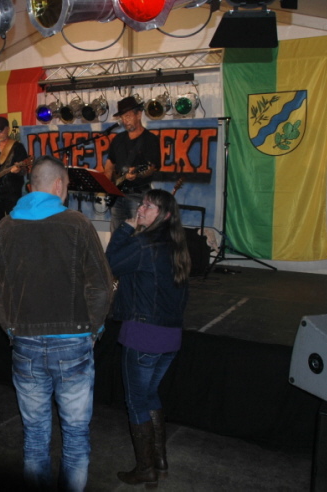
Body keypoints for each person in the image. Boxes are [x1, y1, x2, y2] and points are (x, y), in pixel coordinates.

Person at [0, 156, 113, 492]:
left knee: (35, 437)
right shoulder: (77, 223)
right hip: (73, 344)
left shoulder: (5, 227)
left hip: (25, 344)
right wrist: (93, 330)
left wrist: (12, 328)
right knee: (76, 436)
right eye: (67, 185)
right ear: (58, 185)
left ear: (31, 187)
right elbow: (101, 286)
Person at [105, 189, 190, 488]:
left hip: (144, 334)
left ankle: (145, 469)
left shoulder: (144, 244)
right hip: (170, 336)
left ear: (164, 215)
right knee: (150, 395)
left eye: (149, 207)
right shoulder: (176, 245)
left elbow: (109, 263)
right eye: (142, 204)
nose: (141, 209)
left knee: (137, 402)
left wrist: (125, 228)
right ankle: (160, 461)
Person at [104, 96, 161, 233]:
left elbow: (151, 168)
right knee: (117, 234)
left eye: (128, 116)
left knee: (136, 234)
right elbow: (110, 164)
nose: (125, 120)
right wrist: (108, 186)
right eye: (122, 117)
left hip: (138, 195)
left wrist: (138, 174)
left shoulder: (150, 139)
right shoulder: (118, 139)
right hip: (117, 195)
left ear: (139, 114)